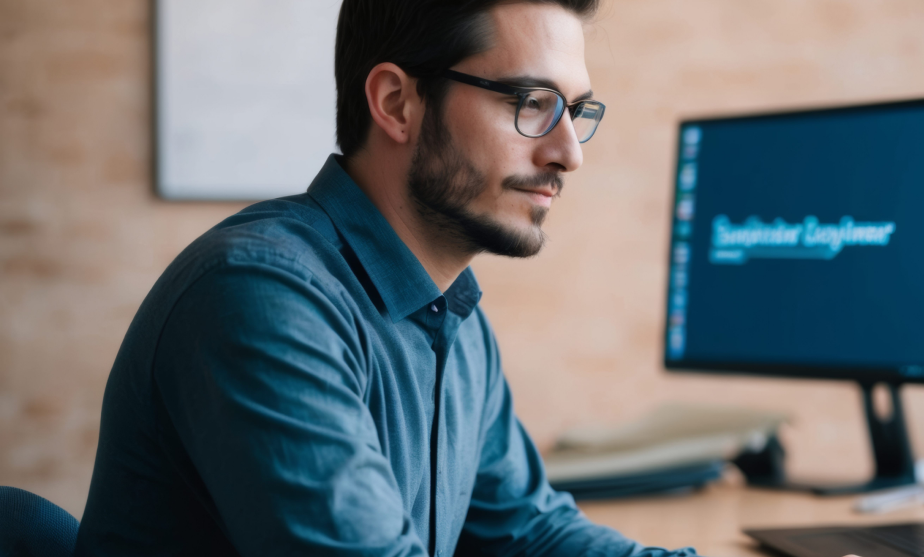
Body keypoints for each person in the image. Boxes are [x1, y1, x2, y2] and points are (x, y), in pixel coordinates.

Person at [74, 1, 697, 555]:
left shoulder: (455, 319)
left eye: (576, 110)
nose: (569, 152)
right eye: (530, 103)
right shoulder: (261, 295)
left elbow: (528, 531)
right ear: (397, 103)